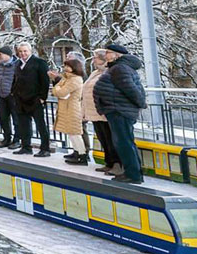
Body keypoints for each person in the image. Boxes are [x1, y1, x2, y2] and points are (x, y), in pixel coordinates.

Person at [94, 43, 147, 183]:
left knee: (124, 143)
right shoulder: (119, 68)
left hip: (119, 111)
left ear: (117, 55)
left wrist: (141, 103)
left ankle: (133, 174)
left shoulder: (119, 68)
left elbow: (130, 89)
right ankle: (133, 173)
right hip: (119, 109)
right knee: (125, 142)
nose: (106, 55)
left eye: (108, 52)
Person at [81, 49, 120, 175]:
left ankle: (116, 163)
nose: (93, 60)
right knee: (102, 138)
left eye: (95, 58)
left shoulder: (109, 72)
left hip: (103, 111)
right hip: (94, 111)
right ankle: (108, 162)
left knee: (110, 138)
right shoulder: (95, 73)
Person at [10, 43, 52, 157]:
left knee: (40, 125)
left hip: (35, 99)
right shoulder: (17, 64)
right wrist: (13, 93)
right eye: (20, 51)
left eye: (25, 51)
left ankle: (45, 149)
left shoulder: (39, 62)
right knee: (23, 125)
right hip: (20, 100)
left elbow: (45, 81)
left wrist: (42, 98)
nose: (23, 53)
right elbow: (15, 79)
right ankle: (26, 147)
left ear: (30, 51)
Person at [51, 57, 88, 164]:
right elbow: (58, 89)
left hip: (73, 108)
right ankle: (76, 151)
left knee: (75, 132)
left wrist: (57, 89)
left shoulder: (75, 79)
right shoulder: (67, 78)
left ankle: (82, 155)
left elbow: (61, 92)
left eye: (68, 66)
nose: (65, 68)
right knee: (71, 132)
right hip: (67, 108)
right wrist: (58, 89)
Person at [0, 46, 19, 147]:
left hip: (13, 96)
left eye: (0, 54)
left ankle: (17, 140)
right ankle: (6, 138)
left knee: (16, 119)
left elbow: (18, 80)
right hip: (2, 94)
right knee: (3, 118)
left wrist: (13, 92)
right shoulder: (1, 65)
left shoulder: (16, 64)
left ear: (7, 55)